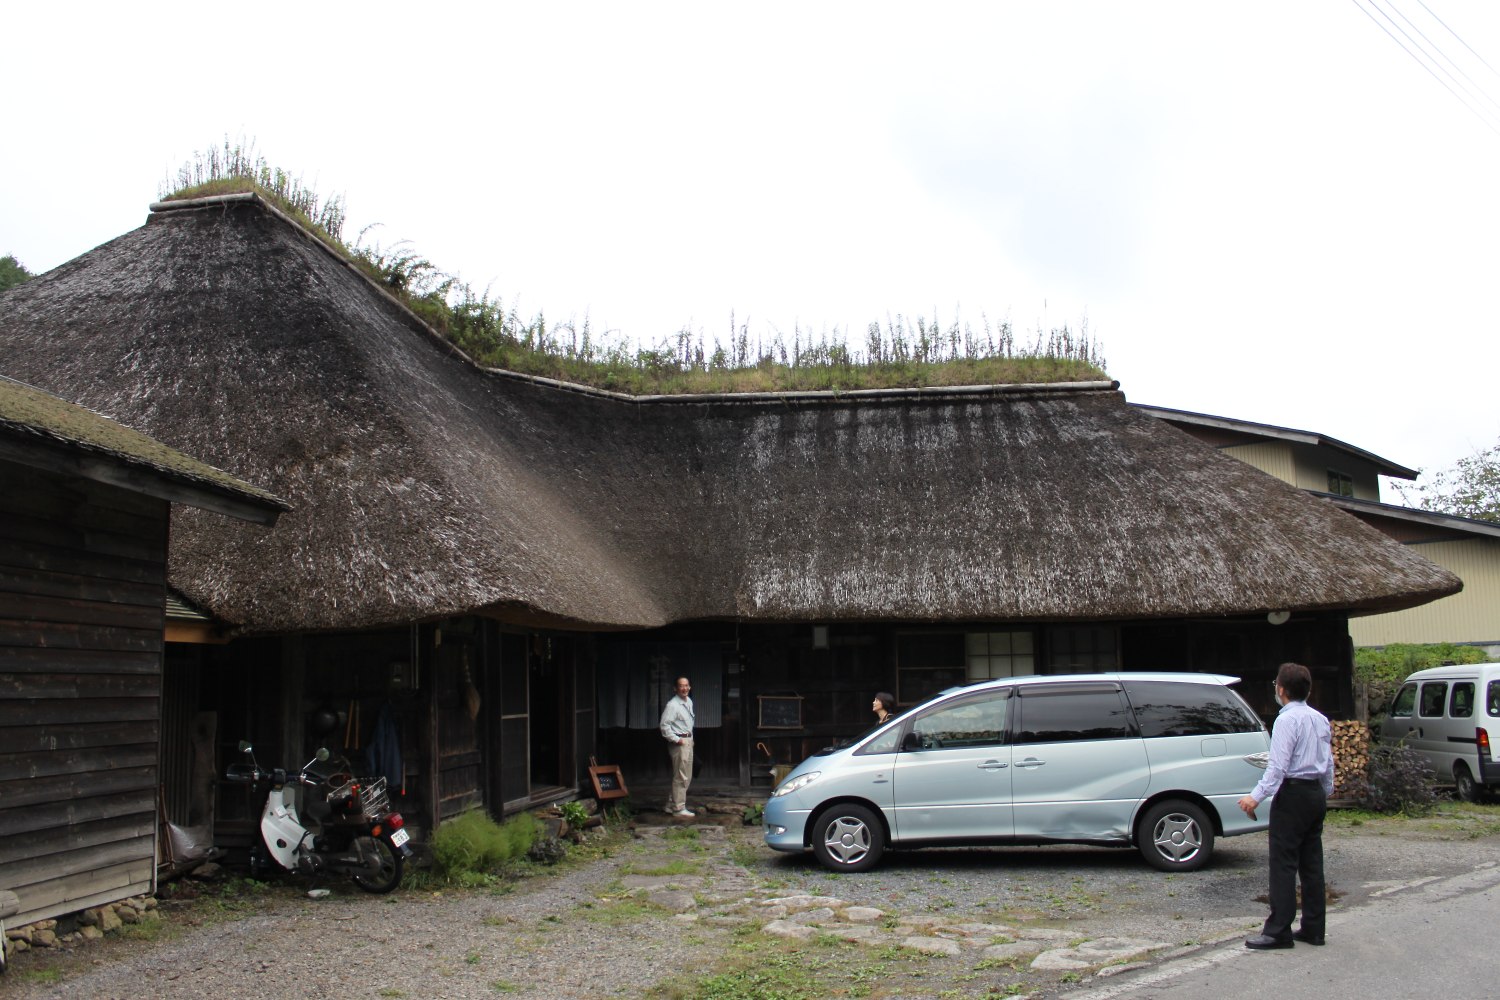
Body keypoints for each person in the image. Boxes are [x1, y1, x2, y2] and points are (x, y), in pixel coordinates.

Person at [1238, 661, 1334, 950]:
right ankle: (1314, 928)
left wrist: (1255, 796)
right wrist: (1325, 791)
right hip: (1314, 792)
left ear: (1281, 689)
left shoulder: (1286, 720)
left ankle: (1279, 929)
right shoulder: (1320, 718)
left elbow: (1277, 766)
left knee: (1283, 864)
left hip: (1292, 793)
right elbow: (1328, 762)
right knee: (1312, 863)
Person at [659, 676, 695, 818]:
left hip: (688, 740)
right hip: (679, 744)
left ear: (689, 687)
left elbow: (687, 724)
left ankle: (671, 804)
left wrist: (691, 738)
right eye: (681, 686)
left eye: (686, 685)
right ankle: (679, 808)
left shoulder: (688, 701)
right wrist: (677, 739)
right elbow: (664, 725)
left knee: (687, 775)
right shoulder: (672, 705)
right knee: (681, 776)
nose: (684, 688)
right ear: (675, 688)